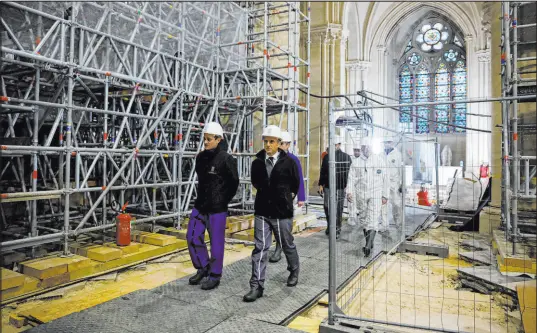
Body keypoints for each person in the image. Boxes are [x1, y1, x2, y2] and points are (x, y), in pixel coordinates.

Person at [244, 125, 300, 302]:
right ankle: (256, 286)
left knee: (286, 243)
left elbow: (295, 184)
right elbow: (255, 183)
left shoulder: (289, 162)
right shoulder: (257, 162)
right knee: (260, 248)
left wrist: (284, 198)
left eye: (272, 142)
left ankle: (294, 270)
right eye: (266, 141)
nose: (268, 145)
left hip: (282, 212)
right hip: (262, 211)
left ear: (278, 143)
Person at [187, 122, 239, 290]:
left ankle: (215, 275)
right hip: (200, 204)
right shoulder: (201, 158)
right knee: (192, 237)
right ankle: (203, 267)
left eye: (209, 139)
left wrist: (222, 200)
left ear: (219, 139)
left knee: (216, 243)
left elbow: (234, 183)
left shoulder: (226, 159)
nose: (206, 142)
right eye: (205, 139)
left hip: (217, 209)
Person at [269, 130, 305, 263]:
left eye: (282, 143)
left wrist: (301, 197)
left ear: (288, 145)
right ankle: (280, 245)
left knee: (284, 224)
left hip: (288, 196)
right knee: (276, 223)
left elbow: (299, 179)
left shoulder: (293, 160)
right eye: (279, 143)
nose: (280, 146)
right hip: (274, 197)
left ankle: (282, 247)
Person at [358, 137, 388, 257]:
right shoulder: (358, 162)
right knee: (365, 219)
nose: (365, 149)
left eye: (367, 147)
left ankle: (368, 246)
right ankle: (369, 242)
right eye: (363, 147)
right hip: (362, 195)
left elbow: (385, 179)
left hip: (376, 194)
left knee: (373, 219)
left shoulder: (379, 161)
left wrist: (385, 195)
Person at [318, 140, 352, 239]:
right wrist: (321, 184)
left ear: (339, 144)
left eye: (335, 144)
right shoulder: (327, 157)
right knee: (326, 205)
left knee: (338, 208)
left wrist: (348, 186)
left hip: (341, 186)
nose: (334, 146)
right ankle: (330, 225)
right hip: (328, 185)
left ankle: (337, 228)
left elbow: (351, 173)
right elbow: (323, 171)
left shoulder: (346, 157)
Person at [383, 138, 403, 229]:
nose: (387, 144)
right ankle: (384, 226)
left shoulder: (398, 155)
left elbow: (401, 170)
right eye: (385, 142)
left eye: (389, 142)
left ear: (392, 142)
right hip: (383, 184)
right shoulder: (380, 154)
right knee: (383, 205)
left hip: (394, 183)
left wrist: (402, 184)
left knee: (396, 204)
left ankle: (398, 224)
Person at [346, 141, 365, 226]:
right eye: (355, 150)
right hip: (351, 184)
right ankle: (352, 218)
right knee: (351, 201)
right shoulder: (350, 159)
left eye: (358, 150)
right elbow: (350, 175)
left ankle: (362, 218)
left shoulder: (364, 161)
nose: (356, 152)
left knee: (361, 203)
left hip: (361, 186)